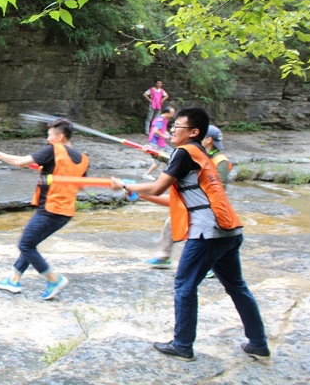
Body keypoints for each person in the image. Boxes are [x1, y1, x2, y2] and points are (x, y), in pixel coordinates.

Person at [111, 108, 269, 361]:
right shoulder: (201, 155)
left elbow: (158, 185)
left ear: (194, 132)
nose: (172, 131)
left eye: (178, 127)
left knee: (184, 285)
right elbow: (177, 201)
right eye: (173, 126)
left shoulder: (184, 152)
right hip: (229, 230)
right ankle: (258, 343)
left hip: (208, 233)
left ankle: (183, 345)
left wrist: (126, 185)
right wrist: (140, 193)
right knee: (237, 286)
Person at [0, 117, 89, 300]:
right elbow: (82, 186)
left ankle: (53, 279)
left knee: (25, 244)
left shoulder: (53, 149)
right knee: (31, 244)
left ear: (60, 137)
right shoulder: (83, 159)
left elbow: (21, 162)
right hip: (65, 212)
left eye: (50, 135)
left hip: (49, 209)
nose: (48, 139)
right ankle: (13, 279)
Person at [144, 123, 232, 268]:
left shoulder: (220, 161)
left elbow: (219, 189)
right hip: (195, 202)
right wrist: (155, 154)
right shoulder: (198, 153)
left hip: (209, 207)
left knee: (199, 235)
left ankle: (211, 265)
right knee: (171, 223)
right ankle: (164, 257)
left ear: (208, 139)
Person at [142, 106, 175, 180]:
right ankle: (146, 174)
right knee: (159, 159)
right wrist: (164, 136)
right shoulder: (159, 120)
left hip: (161, 142)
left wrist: (169, 135)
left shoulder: (165, 120)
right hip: (155, 142)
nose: (172, 115)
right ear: (166, 113)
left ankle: (163, 173)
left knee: (169, 155)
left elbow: (163, 130)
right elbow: (155, 130)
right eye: (172, 113)